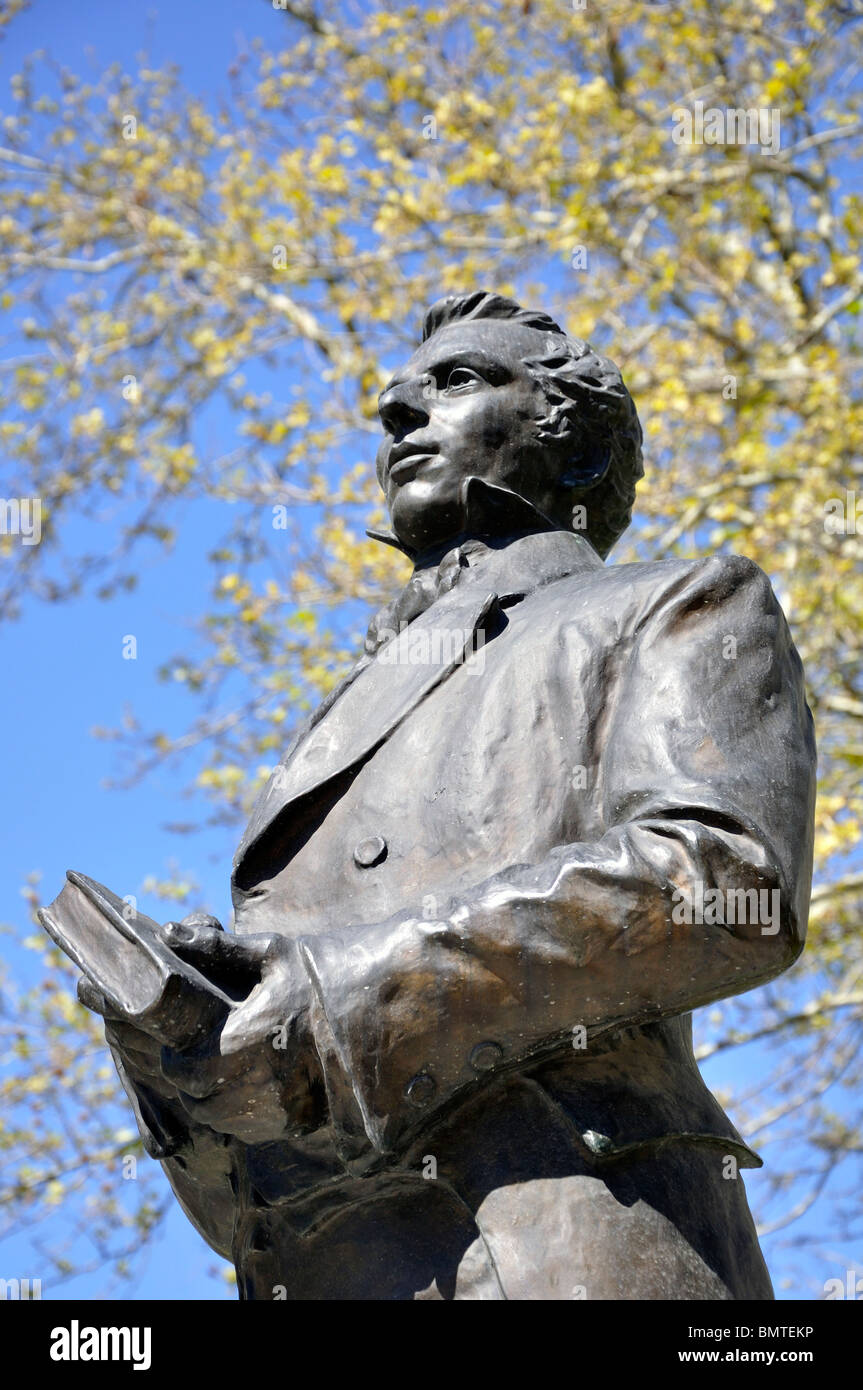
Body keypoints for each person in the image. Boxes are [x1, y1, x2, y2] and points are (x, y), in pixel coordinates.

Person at [87, 291, 816, 1300]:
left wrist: (343, 998)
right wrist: (187, 1069)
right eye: (396, 394)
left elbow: (719, 879)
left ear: (576, 451)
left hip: (561, 1236)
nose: (394, 411)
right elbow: (240, 1196)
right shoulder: (336, 727)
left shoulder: (668, 605)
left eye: (457, 380)